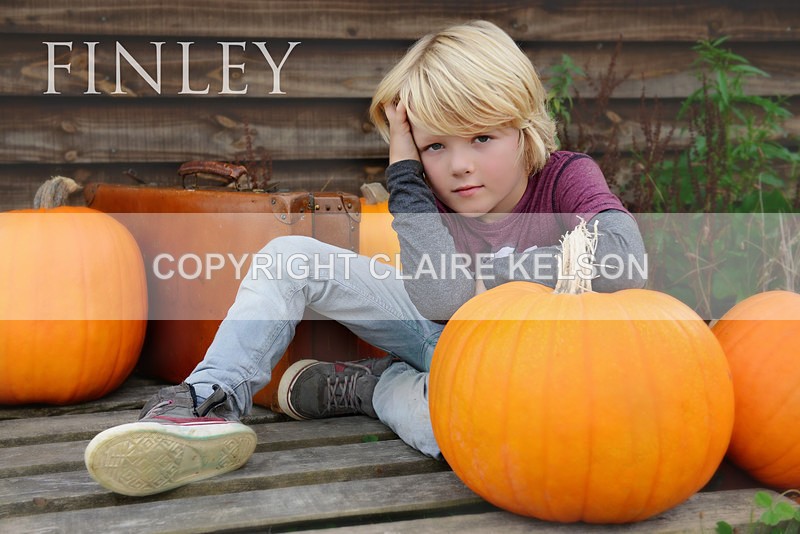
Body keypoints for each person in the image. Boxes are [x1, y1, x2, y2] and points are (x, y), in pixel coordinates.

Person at [84, 20, 646, 497]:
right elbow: (438, 298)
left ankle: (375, 387)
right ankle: (206, 402)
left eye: (480, 138)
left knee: (474, 435)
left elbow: (625, 259)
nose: (458, 167)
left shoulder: (568, 178)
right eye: (434, 146)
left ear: (522, 128)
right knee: (289, 258)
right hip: (437, 331)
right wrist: (404, 170)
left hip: (521, 373)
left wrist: (489, 277)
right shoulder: (423, 186)